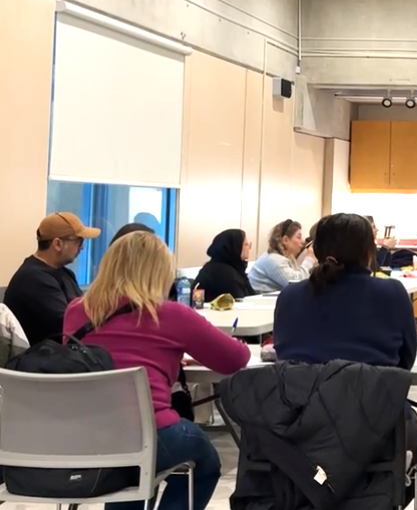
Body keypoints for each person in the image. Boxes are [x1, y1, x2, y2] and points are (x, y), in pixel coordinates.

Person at [62, 232, 251, 510]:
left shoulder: (77, 310)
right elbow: (235, 359)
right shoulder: (171, 315)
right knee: (204, 462)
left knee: (130, 473)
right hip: (150, 432)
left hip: (89, 435)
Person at [272, 213, 417, 485]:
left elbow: (284, 356)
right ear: (370, 251)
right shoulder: (392, 293)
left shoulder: (290, 297)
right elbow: (405, 361)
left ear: (316, 249)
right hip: (377, 426)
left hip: (301, 430)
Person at [4, 212, 98, 346]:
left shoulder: (65, 273)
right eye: (79, 241)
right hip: (43, 361)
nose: (82, 247)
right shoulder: (33, 279)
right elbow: (70, 325)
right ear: (57, 244)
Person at [248, 219, 315, 293]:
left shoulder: (286, 257)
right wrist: (309, 259)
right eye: (298, 237)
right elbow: (296, 283)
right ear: (285, 240)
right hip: (259, 301)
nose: (302, 241)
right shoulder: (273, 259)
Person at [193, 229, 256, 302]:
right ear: (235, 247)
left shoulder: (233, 268)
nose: (249, 248)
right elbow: (239, 301)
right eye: (245, 244)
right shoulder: (223, 273)